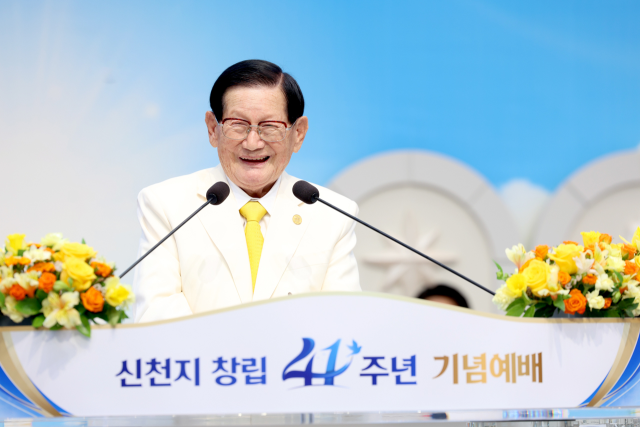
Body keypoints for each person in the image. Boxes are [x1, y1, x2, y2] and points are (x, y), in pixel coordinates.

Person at [133, 60, 361, 323]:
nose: (252, 143)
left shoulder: (332, 215)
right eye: (238, 125)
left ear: (298, 134)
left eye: (270, 126)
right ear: (213, 129)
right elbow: (156, 315)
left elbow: (343, 320)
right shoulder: (166, 204)